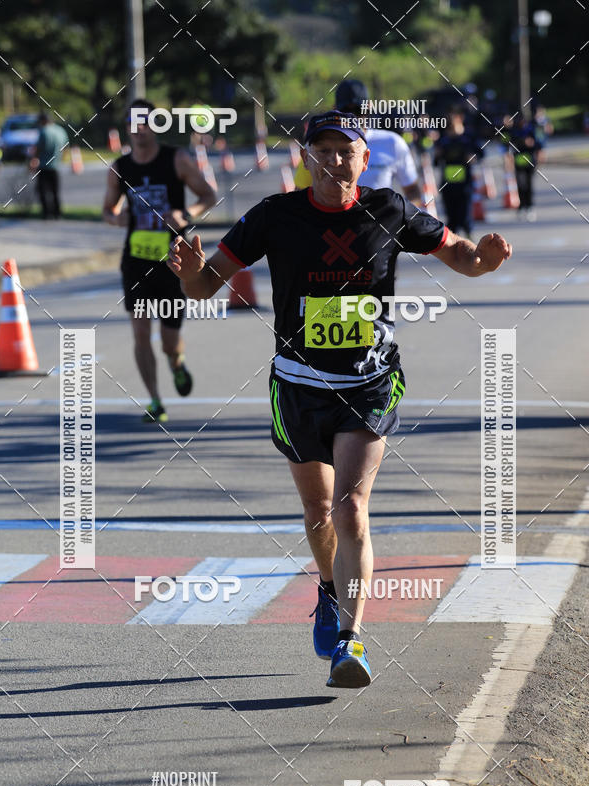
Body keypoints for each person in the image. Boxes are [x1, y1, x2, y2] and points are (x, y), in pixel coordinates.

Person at [168, 110, 512, 688]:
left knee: (351, 508)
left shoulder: (389, 209)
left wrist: (486, 260)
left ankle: (351, 642)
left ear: (363, 158)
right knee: (317, 512)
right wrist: (189, 275)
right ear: (306, 159)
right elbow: (206, 285)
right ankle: (329, 590)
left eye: (345, 150)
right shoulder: (273, 216)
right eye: (322, 150)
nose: (334, 160)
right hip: (297, 385)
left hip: (370, 381)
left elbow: (459, 255)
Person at [103, 99, 216, 423]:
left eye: (146, 122)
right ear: (127, 128)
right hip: (137, 261)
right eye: (133, 123)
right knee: (140, 334)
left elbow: (207, 195)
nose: (139, 129)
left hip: (174, 261)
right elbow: (107, 212)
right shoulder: (120, 167)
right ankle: (154, 400)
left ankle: (176, 363)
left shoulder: (176, 159)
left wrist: (185, 213)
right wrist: (119, 218)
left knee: (169, 342)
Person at [294, 80, 422, 205]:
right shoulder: (316, 146)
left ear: (365, 158)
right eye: (346, 112)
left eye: (359, 110)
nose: (353, 117)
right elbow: (299, 198)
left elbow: (412, 191)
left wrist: (400, 221)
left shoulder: (392, 143)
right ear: (335, 109)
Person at [434, 108, 484, 239]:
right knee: (451, 218)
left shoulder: (468, 137)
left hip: (465, 184)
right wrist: (437, 155)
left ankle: (470, 240)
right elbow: (436, 162)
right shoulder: (443, 140)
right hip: (448, 184)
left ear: (459, 119)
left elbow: (481, 153)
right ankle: (454, 247)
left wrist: (473, 157)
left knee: (465, 216)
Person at [501, 115, 543, 221]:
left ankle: (529, 206)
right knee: (520, 185)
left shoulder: (531, 130)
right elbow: (506, 144)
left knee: (528, 185)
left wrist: (538, 157)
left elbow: (538, 144)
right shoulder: (513, 131)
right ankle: (521, 206)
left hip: (529, 162)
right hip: (519, 163)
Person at [31, 113, 68, 219]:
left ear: (43, 121)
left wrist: (33, 160)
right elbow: (65, 147)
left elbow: (38, 149)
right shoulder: (61, 130)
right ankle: (57, 213)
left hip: (43, 165)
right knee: (55, 191)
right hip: (56, 165)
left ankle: (46, 213)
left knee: (43, 191)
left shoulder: (44, 131)